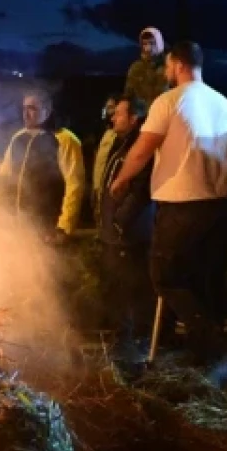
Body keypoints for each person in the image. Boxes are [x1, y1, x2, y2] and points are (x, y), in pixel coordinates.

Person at [109, 41, 227, 379]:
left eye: (168, 65)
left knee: (164, 275)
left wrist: (122, 179)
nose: (166, 71)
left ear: (179, 64)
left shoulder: (168, 101)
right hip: (221, 203)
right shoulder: (225, 104)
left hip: (182, 203)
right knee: (202, 279)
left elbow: (143, 148)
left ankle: (213, 343)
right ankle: (204, 358)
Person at [97, 97, 154, 358]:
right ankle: (122, 339)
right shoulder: (121, 144)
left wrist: (120, 222)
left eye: (118, 114)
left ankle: (137, 342)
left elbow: (140, 191)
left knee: (132, 288)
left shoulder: (140, 147)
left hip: (129, 235)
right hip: (116, 233)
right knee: (118, 288)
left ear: (134, 118)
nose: (113, 118)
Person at [0, 92, 85, 244]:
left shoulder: (65, 139)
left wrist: (64, 226)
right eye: (24, 108)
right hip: (19, 224)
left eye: (32, 108)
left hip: (48, 226)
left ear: (47, 110)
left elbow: (75, 184)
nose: (26, 114)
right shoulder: (18, 138)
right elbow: (4, 174)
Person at [91, 95, 122, 221]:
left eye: (111, 107)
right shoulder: (105, 133)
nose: (109, 112)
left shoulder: (119, 136)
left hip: (110, 191)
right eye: (107, 108)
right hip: (99, 187)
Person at [124, 26, 169, 104]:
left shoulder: (169, 65)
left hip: (163, 109)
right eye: (144, 44)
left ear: (159, 43)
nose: (148, 48)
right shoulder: (136, 68)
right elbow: (128, 94)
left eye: (152, 43)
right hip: (142, 111)